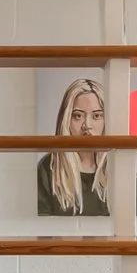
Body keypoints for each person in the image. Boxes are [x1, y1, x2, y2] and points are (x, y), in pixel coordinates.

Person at [35, 77, 111, 216]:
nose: (87, 125)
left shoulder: (120, 170)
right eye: (77, 116)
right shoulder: (48, 168)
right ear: (66, 120)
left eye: (96, 116)